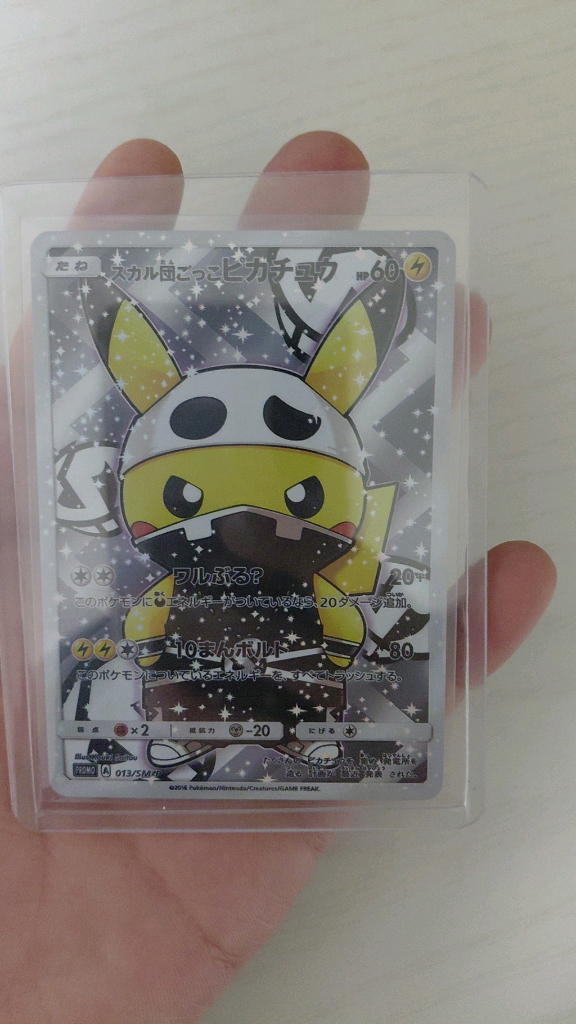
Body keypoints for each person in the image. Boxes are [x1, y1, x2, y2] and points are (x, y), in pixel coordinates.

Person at [0, 132, 557, 1024]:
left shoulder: (309, 559)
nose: (239, 523)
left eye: (293, 500)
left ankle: (300, 743)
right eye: (191, 500)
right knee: (192, 707)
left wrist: (341, 633)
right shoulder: (176, 580)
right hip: (189, 687)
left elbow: (328, 616)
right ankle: (193, 744)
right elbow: (152, 617)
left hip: (292, 674)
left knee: (301, 707)